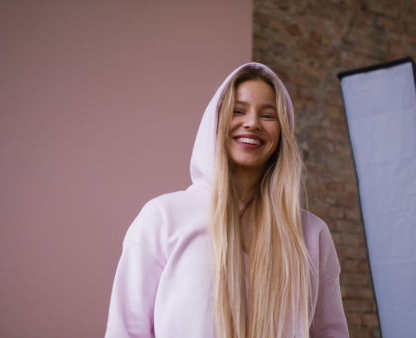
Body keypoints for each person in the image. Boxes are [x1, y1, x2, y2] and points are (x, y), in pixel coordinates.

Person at [105, 63, 348, 338]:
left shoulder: (312, 233)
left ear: (282, 133)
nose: (252, 123)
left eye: (268, 115)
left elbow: (330, 333)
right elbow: (126, 330)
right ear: (215, 121)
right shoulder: (162, 217)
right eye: (238, 110)